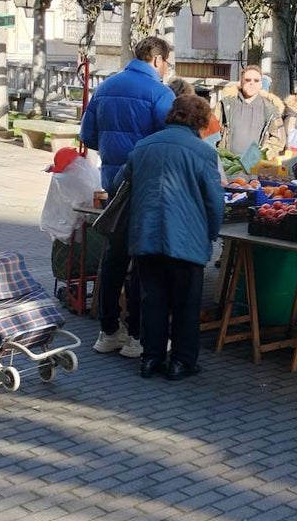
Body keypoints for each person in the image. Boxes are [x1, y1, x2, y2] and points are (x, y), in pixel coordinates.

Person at [115, 94, 224, 380]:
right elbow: (215, 201)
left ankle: (150, 359)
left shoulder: (143, 146)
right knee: (186, 304)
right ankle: (181, 362)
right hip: (186, 239)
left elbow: (119, 183)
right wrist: (212, 232)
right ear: (200, 121)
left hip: (146, 236)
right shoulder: (203, 153)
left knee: (153, 301)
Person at [79, 36, 176, 359]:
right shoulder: (160, 92)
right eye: (167, 62)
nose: (166, 69)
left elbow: (88, 135)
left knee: (116, 257)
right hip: (147, 185)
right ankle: (137, 335)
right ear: (157, 60)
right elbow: (170, 138)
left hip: (112, 181)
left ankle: (108, 330)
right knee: (143, 260)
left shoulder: (105, 87)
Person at [216, 64, 285, 160]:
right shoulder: (225, 105)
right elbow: (210, 133)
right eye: (248, 80)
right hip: (226, 165)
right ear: (241, 82)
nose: (252, 83)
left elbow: (278, 140)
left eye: (256, 80)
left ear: (261, 84)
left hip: (256, 167)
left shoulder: (270, 109)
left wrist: (261, 156)